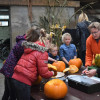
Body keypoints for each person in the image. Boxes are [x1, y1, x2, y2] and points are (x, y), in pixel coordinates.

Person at [9, 27, 55, 100]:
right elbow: (44, 73)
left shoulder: (30, 48)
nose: (50, 45)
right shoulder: (42, 52)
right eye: (50, 42)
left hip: (15, 78)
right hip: (24, 81)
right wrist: (52, 73)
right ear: (47, 41)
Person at [0, 35, 25, 100]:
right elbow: (22, 59)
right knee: (13, 94)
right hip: (11, 70)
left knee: (7, 92)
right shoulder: (23, 44)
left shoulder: (21, 42)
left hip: (8, 68)